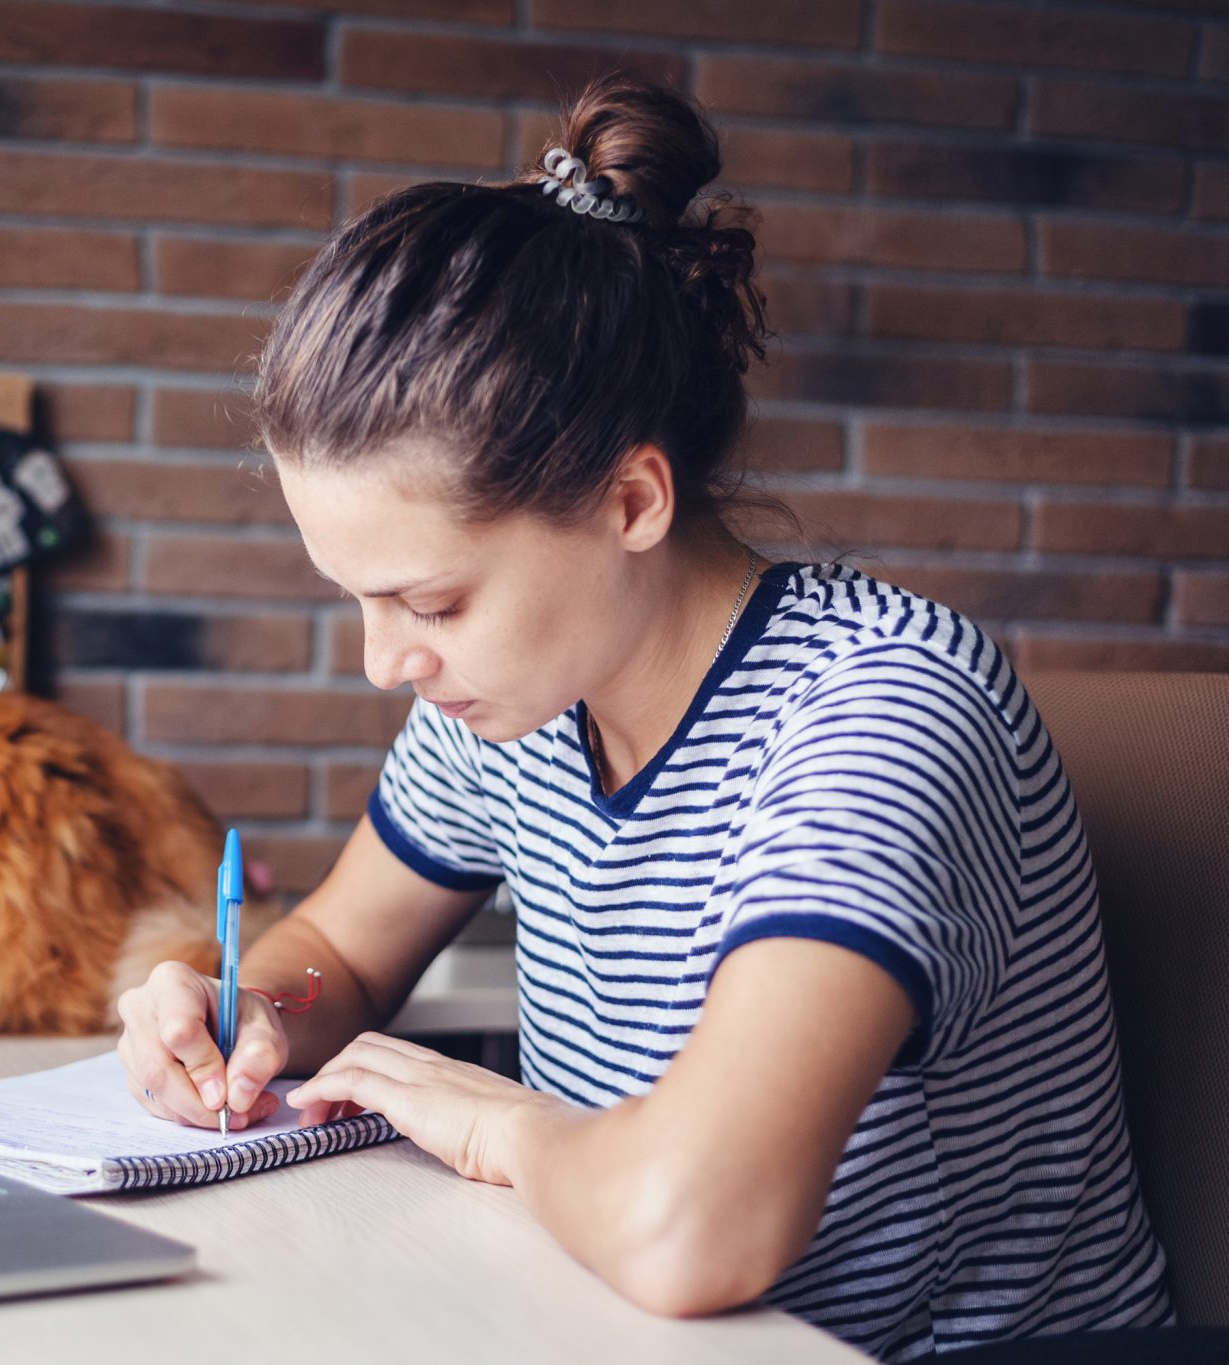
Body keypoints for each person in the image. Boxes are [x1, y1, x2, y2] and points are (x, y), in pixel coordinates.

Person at [115, 75, 1173, 1361]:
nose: (384, 662)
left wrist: (497, 1124)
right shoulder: (507, 702)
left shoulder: (880, 713)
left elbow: (694, 1231)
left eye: (429, 601)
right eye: (356, 599)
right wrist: (248, 1009)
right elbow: (341, 944)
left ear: (629, 503)